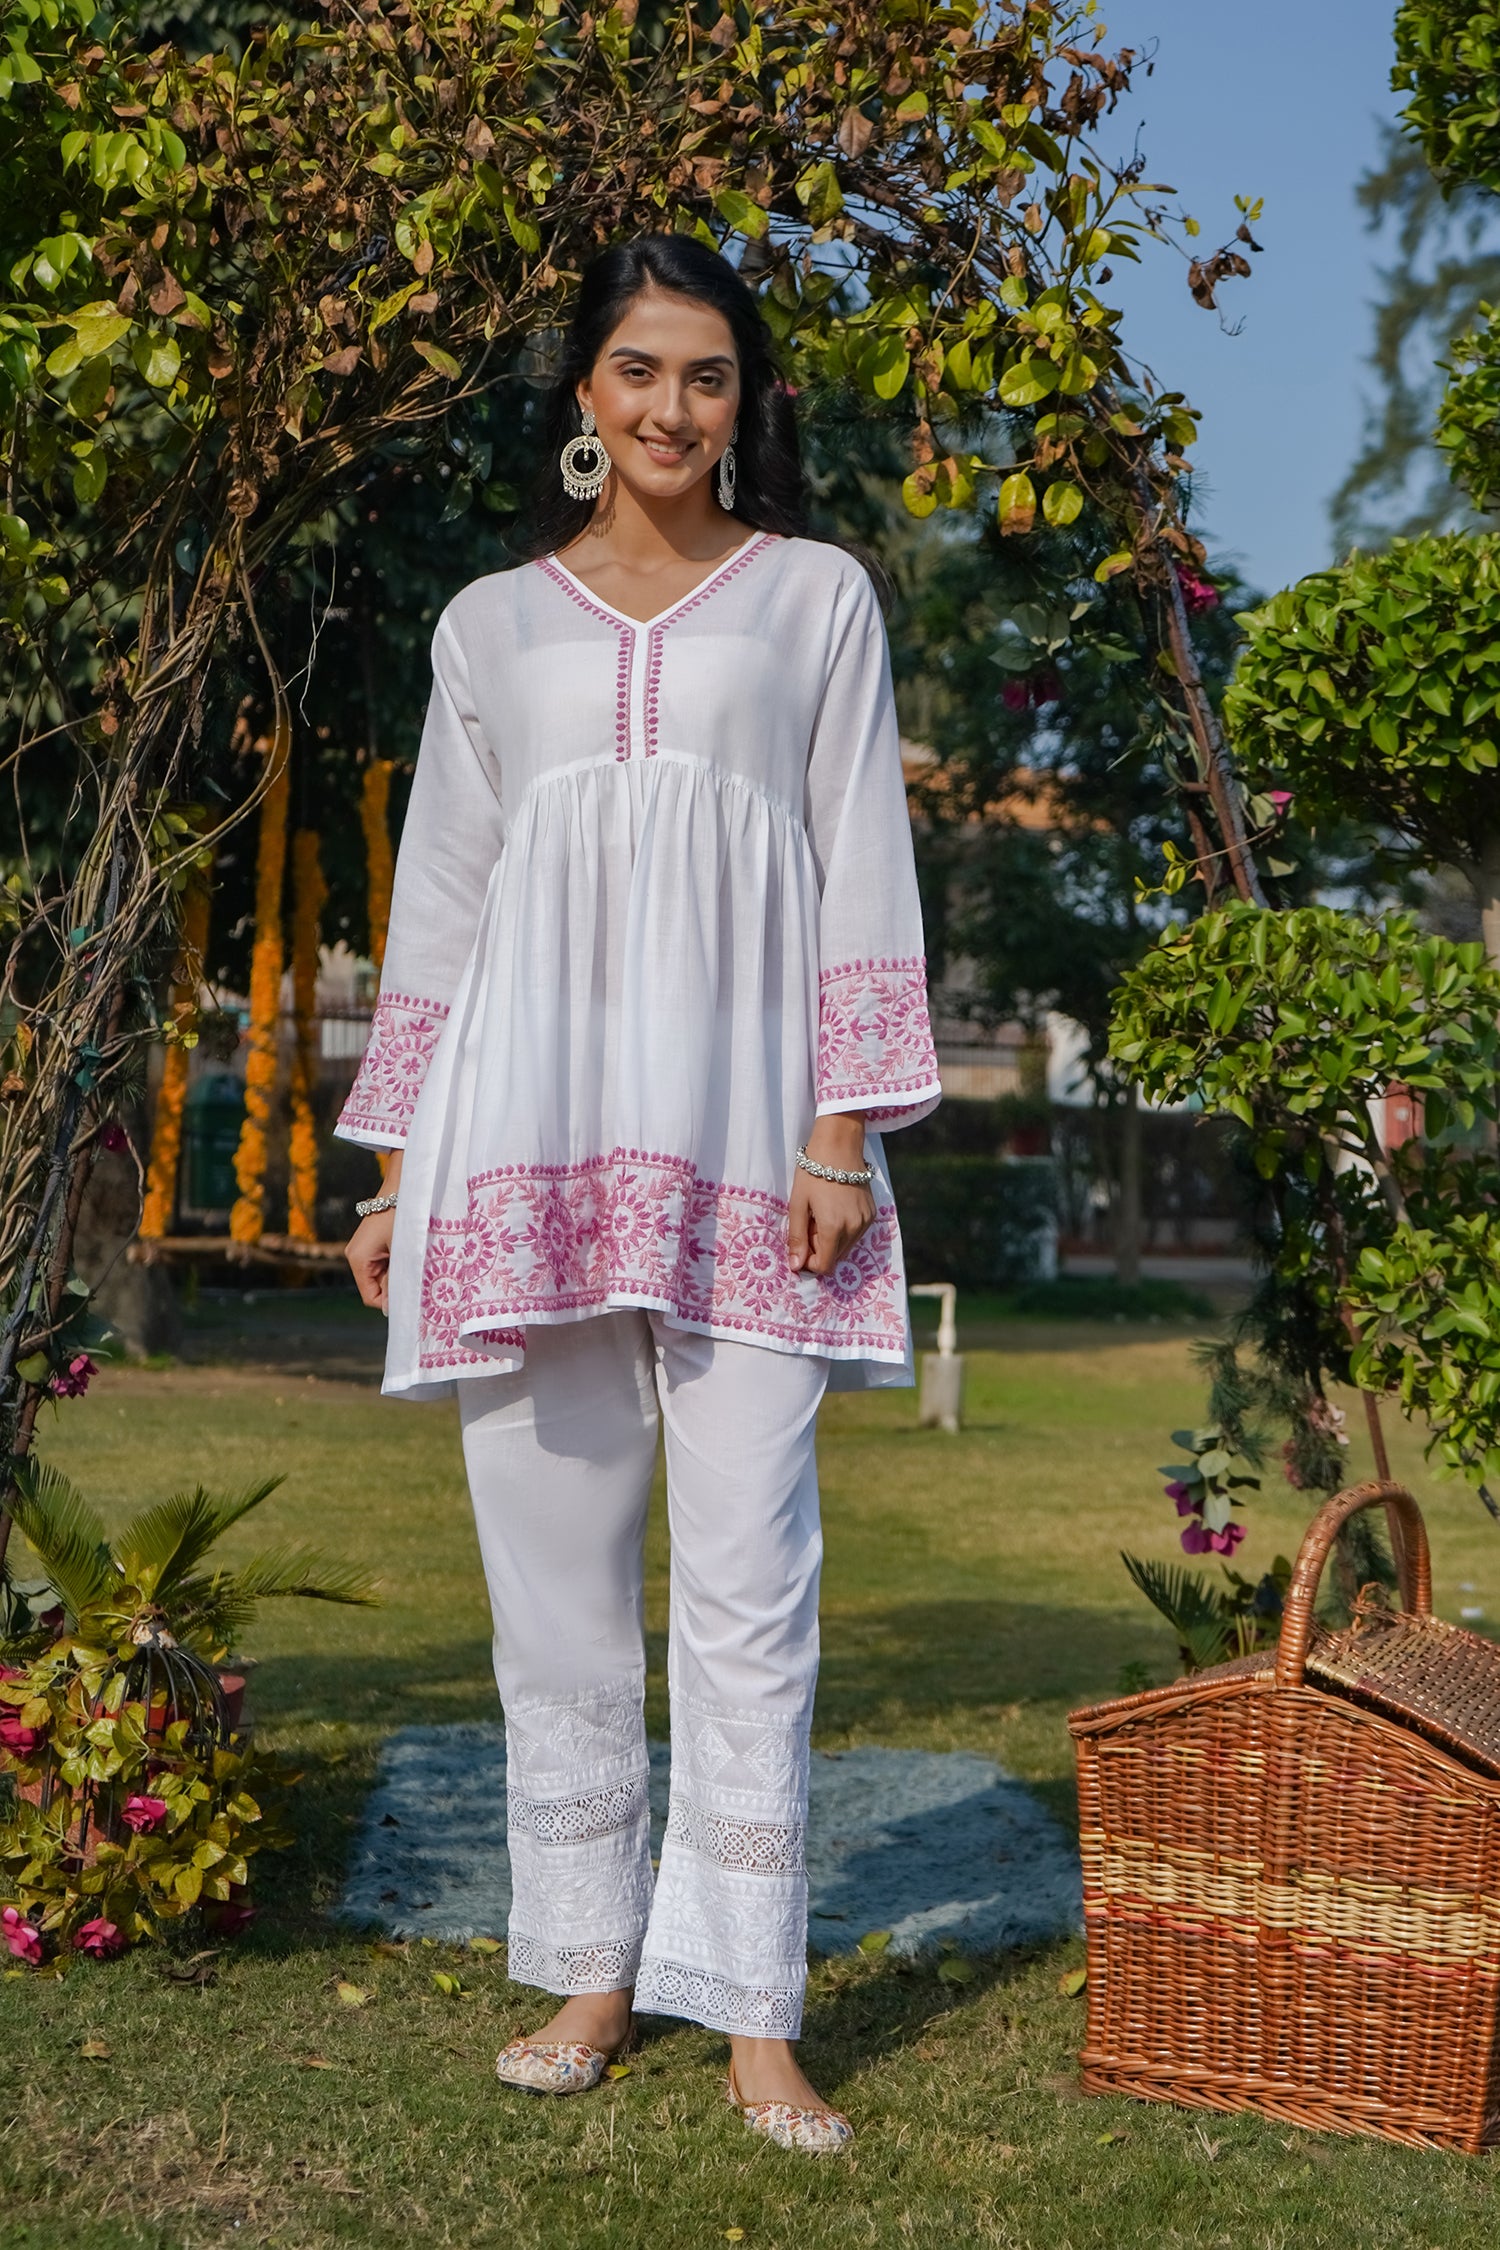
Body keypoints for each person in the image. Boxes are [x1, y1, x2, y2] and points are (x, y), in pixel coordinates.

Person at [340, 234, 940, 2156]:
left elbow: (860, 856)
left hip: (762, 1158)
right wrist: (396, 1173)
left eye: (707, 373)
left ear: (744, 400)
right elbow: (442, 906)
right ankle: (593, 1969)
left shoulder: (817, 598)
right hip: (521, 1153)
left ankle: (753, 2007)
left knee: (754, 1585)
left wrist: (842, 1131)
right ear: (584, 398)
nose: (672, 407)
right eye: (637, 370)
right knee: (555, 1592)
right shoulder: (489, 628)